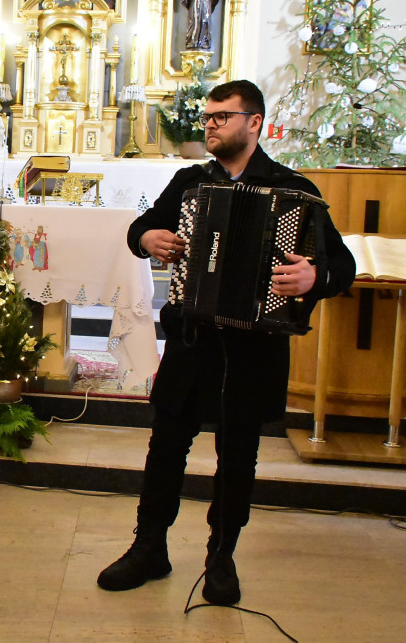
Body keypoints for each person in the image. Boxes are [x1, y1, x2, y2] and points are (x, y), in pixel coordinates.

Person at [97, 80, 355, 605]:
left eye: (222, 116)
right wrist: (148, 239)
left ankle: (222, 558)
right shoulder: (189, 183)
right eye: (208, 116)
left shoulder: (295, 189)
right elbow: (142, 228)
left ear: (253, 122)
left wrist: (314, 279)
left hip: (255, 349)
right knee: (166, 446)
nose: (210, 124)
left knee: (238, 455)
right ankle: (149, 548)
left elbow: (342, 265)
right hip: (194, 339)